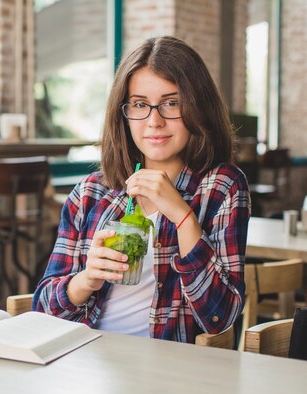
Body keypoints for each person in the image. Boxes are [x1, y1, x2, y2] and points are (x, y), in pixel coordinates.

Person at [32, 36, 251, 343]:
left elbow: (221, 317)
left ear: (197, 108)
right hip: (87, 365)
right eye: (139, 105)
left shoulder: (221, 187)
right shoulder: (90, 194)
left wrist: (182, 216)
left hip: (169, 373)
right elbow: (42, 310)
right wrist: (86, 280)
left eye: (171, 103)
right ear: (124, 114)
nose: (154, 121)